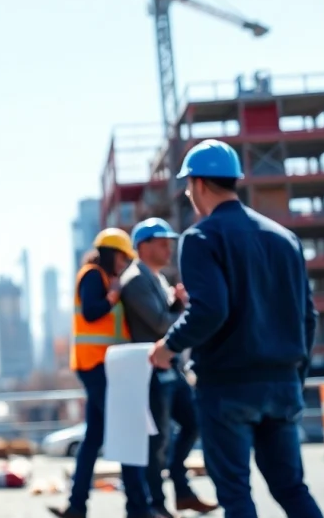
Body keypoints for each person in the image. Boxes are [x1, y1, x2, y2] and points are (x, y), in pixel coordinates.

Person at [150, 139, 324, 518]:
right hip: (281, 383)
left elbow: (210, 310)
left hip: (228, 386)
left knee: (235, 494)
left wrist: (168, 346)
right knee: (291, 488)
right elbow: (307, 317)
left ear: (197, 184)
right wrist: (295, 378)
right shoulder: (284, 238)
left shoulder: (201, 237)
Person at [50, 228, 159, 518]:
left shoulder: (105, 279)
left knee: (95, 437)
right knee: (125, 430)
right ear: (112, 254)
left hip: (105, 366)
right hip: (96, 365)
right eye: (123, 257)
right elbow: (90, 312)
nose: (124, 264)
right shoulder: (91, 275)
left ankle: (76, 506)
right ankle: (139, 507)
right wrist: (112, 297)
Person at [119, 218, 218, 517]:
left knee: (192, 422)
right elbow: (160, 324)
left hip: (169, 368)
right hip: (151, 372)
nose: (169, 247)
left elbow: (165, 319)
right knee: (157, 440)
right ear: (143, 246)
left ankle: (181, 488)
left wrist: (177, 306)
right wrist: (187, 314)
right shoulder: (135, 279)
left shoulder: (157, 278)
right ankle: (157, 504)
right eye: (162, 242)